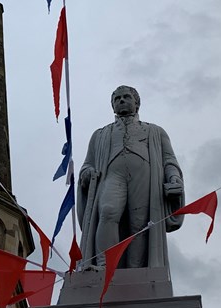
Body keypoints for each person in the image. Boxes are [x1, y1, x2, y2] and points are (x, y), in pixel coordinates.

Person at [78, 86, 184, 269]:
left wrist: (174, 177)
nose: (121, 101)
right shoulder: (100, 134)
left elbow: (169, 160)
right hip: (112, 175)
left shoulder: (155, 131)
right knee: (108, 211)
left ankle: (137, 269)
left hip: (144, 177)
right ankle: (105, 265)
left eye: (126, 97)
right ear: (112, 106)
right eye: (117, 99)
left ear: (137, 103)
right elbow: (88, 164)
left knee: (140, 223)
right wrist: (86, 173)